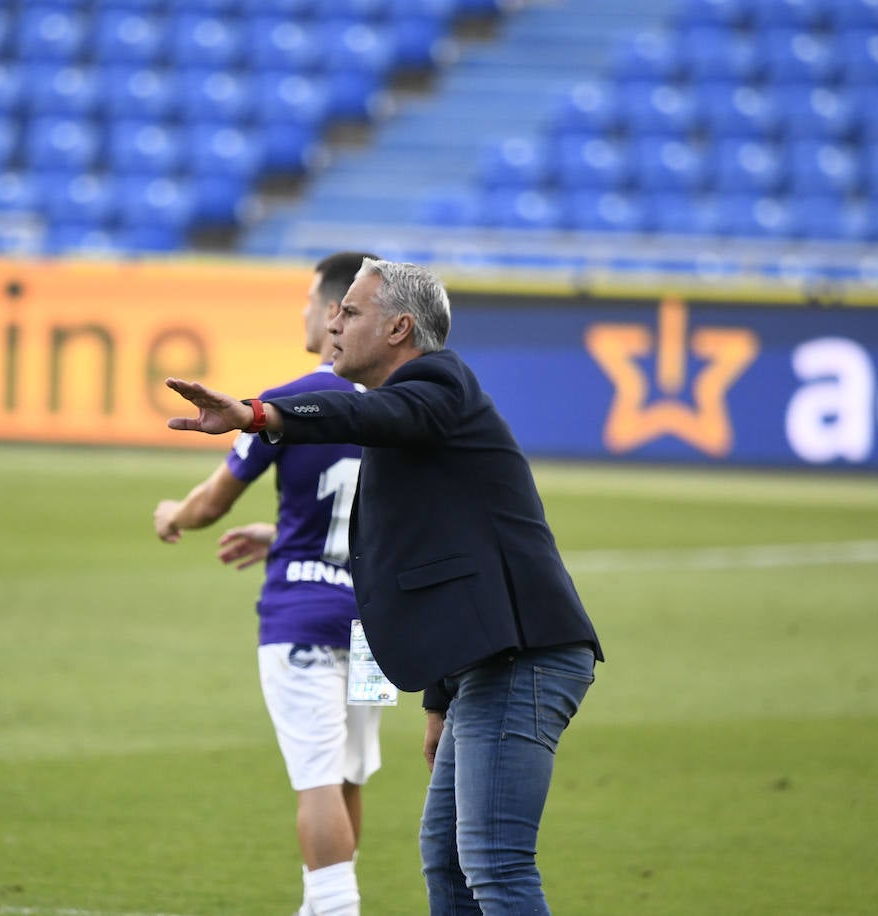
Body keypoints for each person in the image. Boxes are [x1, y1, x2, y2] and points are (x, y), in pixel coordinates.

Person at [165, 257, 603, 915]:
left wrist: (259, 413)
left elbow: (363, 420)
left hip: (524, 660)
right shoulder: (410, 421)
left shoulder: (438, 383)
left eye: (350, 312)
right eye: (334, 309)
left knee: (495, 865)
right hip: (483, 665)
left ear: (399, 328)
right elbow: (445, 566)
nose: (332, 323)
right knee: (449, 861)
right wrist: (438, 701)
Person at [153, 251, 382, 916]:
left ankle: (335, 908)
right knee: (350, 773)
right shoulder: (403, 409)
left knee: (316, 779)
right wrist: (282, 533)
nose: (305, 314)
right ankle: (325, 906)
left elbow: (213, 502)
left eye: (312, 301)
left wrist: (174, 514)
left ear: (337, 311)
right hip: (374, 628)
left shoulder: (292, 402)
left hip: (302, 614)